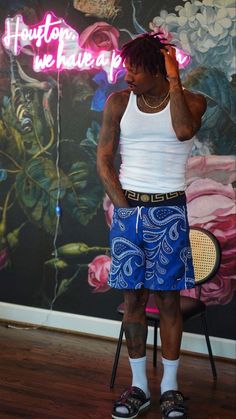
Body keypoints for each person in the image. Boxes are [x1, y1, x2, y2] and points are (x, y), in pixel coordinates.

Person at [97, 33, 206, 419]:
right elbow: (105, 159)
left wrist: (174, 78)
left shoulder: (192, 101)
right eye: (126, 67)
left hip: (169, 212)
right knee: (133, 302)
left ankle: (171, 389)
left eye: (136, 69)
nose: (127, 76)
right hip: (130, 212)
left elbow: (182, 131)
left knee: (169, 301)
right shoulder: (118, 103)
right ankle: (139, 387)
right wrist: (125, 211)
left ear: (159, 70)